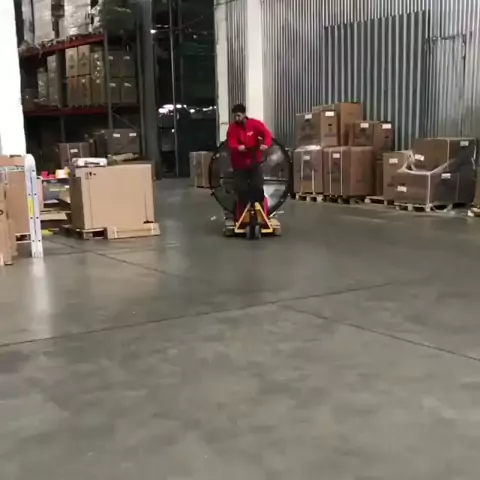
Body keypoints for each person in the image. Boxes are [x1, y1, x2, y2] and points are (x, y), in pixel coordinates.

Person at [226, 104, 273, 215]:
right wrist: (237, 147)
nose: (236, 118)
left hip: (254, 162)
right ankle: (242, 214)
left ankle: (261, 213)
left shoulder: (254, 124)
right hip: (239, 164)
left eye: (238, 115)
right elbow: (231, 141)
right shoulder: (232, 128)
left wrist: (266, 144)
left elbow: (267, 134)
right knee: (242, 190)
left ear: (244, 114)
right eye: (235, 116)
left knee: (257, 187)